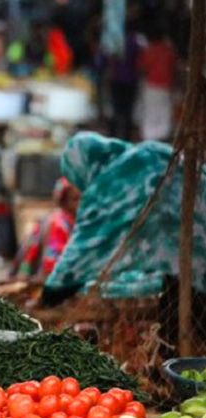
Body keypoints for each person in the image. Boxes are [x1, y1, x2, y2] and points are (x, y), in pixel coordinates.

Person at [44, 132, 206, 303]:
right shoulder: (152, 151)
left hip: (195, 268)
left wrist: (50, 295)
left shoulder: (113, 181)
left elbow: (85, 247)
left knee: (185, 322)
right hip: (194, 257)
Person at [11, 178, 81, 279]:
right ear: (63, 201)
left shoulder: (82, 221)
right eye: (75, 199)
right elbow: (53, 261)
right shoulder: (59, 224)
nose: (80, 204)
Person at [137, 23, 177, 141]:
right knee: (163, 110)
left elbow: (142, 68)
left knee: (150, 110)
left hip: (151, 84)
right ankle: (162, 136)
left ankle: (149, 137)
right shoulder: (169, 50)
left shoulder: (148, 50)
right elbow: (173, 67)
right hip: (165, 85)